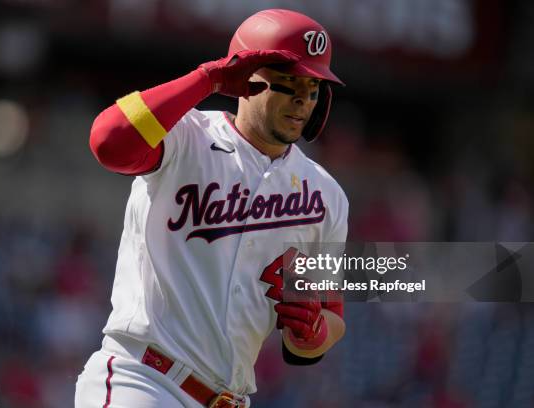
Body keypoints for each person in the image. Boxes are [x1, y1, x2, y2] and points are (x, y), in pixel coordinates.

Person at [75, 8, 349, 408]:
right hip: (145, 381)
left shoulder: (326, 195)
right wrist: (209, 78)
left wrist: (314, 334)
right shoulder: (186, 137)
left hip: (231, 399)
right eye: (288, 83)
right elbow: (108, 142)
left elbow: (331, 314)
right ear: (247, 78)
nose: (301, 101)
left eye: (311, 87)